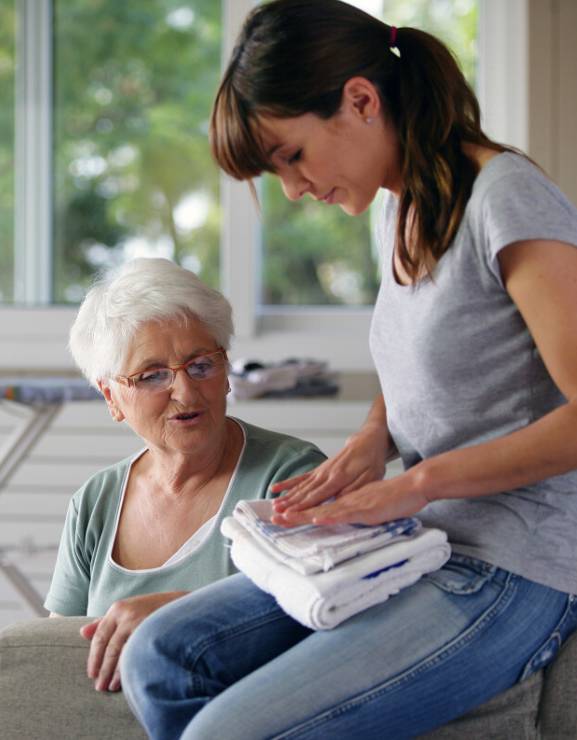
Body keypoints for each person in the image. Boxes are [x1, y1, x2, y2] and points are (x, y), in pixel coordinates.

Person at [119, 1, 577, 737]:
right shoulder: (396, 210)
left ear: (360, 100)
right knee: (161, 657)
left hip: (513, 567)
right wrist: (370, 444)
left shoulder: (505, 198)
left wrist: (415, 484)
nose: (294, 190)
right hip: (420, 542)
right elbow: (422, 367)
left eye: (291, 156)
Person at [44, 256, 326, 693]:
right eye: (153, 375)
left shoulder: (290, 476)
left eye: (201, 365)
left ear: (227, 369)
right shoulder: (95, 501)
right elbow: (58, 654)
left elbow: (322, 628)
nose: (186, 391)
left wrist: (179, 617)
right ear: (111, 397)